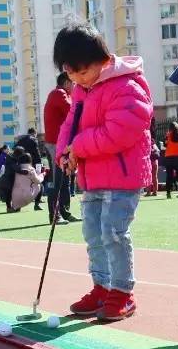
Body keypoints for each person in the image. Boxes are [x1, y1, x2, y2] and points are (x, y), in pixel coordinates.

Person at [53, 22, 153, 323]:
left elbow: (118, 133)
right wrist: (63, 153)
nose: (77, 80)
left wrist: (78, 147)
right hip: (92, 178)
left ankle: (122, 292)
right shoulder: (83, 91)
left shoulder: (127, 87)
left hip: (122, 179)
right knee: (94, 234)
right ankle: (102, 286)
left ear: (104, 60)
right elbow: (69, 125)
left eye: (83, 72)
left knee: (113, 232)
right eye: (71, 75)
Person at [41, 72, 78, 223]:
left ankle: (65, 212)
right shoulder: (59, 93)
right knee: (57, 180)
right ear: (66, 82)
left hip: (60, 144)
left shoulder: (59, 94)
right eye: (73, 83)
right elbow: (73, 110)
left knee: (64, 179)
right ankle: (55, 215)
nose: (75, 86)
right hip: (55, 144)